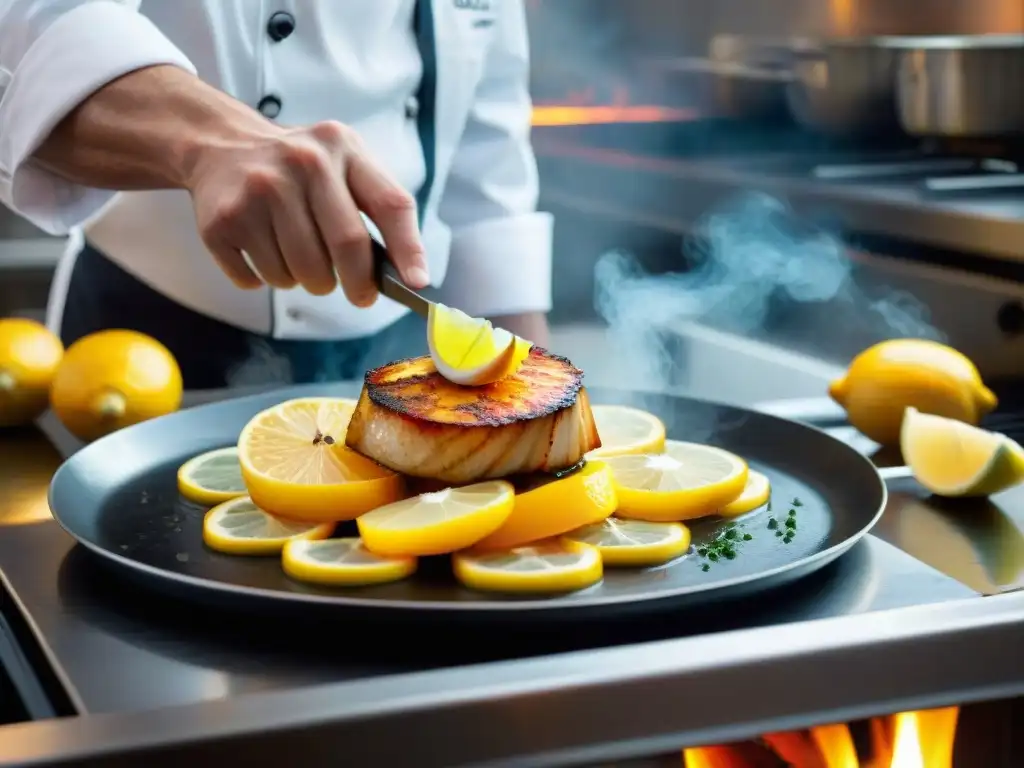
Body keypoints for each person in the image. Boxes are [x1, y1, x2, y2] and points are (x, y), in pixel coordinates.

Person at [0, 1, 552, 388]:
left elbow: (485, 148)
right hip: (144, 349)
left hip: (410, 347)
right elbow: (28, 24)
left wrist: (539, 383)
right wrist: (208, 142)